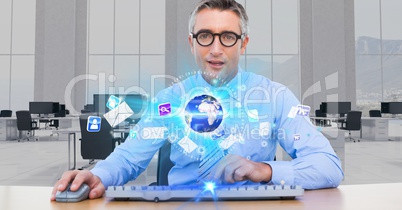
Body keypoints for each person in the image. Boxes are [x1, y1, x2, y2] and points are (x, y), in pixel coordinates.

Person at [51, 0, 343, 201]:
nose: (216, 49)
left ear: (243, 43)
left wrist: (265, 170)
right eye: (205, 36)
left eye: (228, 37)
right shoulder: (168, 101)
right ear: (191, 42)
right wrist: (98, 175)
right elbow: (129, 156)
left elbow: (328, 166)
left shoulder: (275, 97)